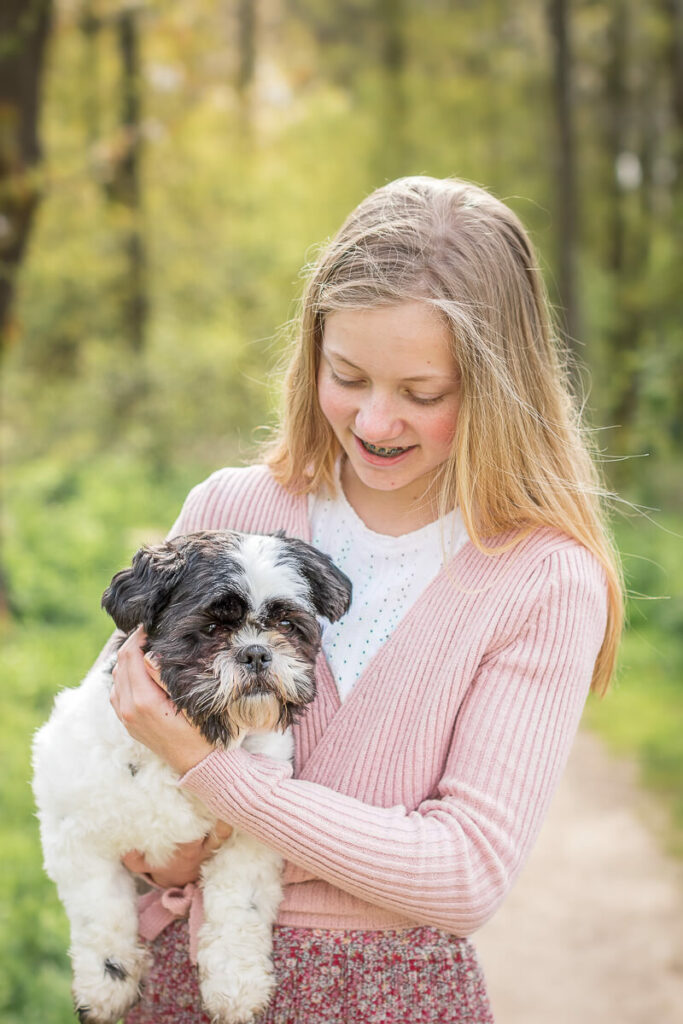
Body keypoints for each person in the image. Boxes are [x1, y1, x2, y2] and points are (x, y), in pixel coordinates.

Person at [109, 175, 623, 1023]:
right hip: (183, 978)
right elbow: (114, 745)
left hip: (390, 997)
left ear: (499, 389)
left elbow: (460, 876)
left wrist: (212, 777)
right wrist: (160, 858)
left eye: (424, 395)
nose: (377, 423)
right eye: (346, 376)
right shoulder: (231, 511)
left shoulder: (542, 579)